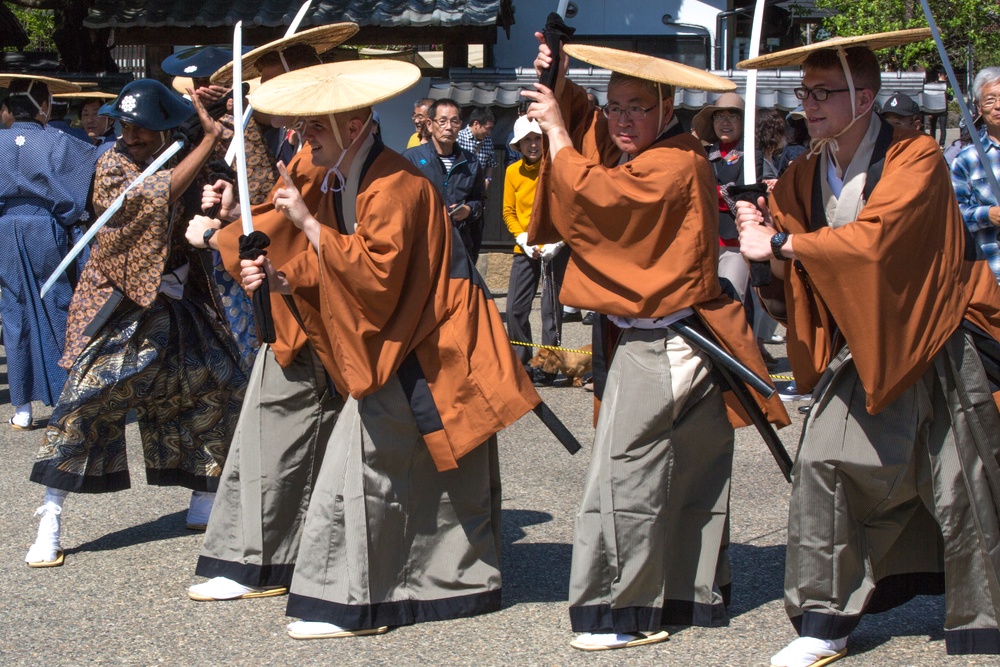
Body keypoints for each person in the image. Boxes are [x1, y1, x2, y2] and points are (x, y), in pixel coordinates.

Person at [237, 59, 541, 638]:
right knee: (405, 465)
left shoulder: (394, 181)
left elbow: (376, 273)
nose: (306, 142)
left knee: (385, 461)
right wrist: (285, 280)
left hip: (434, 338)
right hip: (403, 333)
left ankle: (371, 597)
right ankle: (417, 583)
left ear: (354, 129)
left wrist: (306, 225)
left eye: (316, 131)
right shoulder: (348, 175)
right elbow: (347, 266)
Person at [736, 30, 1000, 665]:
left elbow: (879, 241)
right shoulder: (802, 172)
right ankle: (825, 622)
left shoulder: (917, 157)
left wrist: (779, 247)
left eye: (824, 93)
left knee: (965, 478)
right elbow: (793, 267)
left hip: (936, 333)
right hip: (859, 343)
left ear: (867, 97)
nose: (810, 105)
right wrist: (760, 236)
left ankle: (983, 616)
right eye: (804, 93)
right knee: (823, 467)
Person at [523, 40, 788, 651]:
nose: (620, 118)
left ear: (665, 106)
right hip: (672, 335)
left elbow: (601, 202)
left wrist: (558, 133)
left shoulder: (676, 162)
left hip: (672, 337)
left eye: (636, 107)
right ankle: (684, 593)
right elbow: (589, 127)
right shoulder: (658, 148)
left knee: (628, 473)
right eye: (615, 105)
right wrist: (560, 80)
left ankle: (620, 609)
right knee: (688, 470)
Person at [26, 79, 249, 568]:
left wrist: (222, 149)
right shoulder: (111, 163)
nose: (131, 134)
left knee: (217, 380)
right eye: (125, 124)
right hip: (121, 304)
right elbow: (156, 196)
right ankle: (50, 515)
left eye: (142, 128)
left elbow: (236, 170)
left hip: (178, 299)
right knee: (87, 397)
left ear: (166, 126)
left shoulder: (185, 152)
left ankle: (204, 497)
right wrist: (208, 140)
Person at [182, 23, 360, 603]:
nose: (265, 96)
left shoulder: (328, 148)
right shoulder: (302, 144)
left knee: (292, 429)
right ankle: (260, 559)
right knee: (277, 428)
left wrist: (219, 236)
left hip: (335, 309)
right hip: (302, 306)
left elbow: (293, 226)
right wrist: (239, 211)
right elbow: (276, 212)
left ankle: (264, 560)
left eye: (274, 84)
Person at [0, 74, 99, 431]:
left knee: (13, 314)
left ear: (9, 109)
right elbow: (79, 191)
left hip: (5, 229)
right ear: (45, 107)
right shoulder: (57, 141)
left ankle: (22, 407)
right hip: (45, 227)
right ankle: (64, 398)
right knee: (56, 303)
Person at [502, 115, 567, 385]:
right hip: (525, 248)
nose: (532, 144)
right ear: (517, 145)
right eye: (526, 139)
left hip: (555, 247)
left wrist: (558, 241)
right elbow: (508, 211)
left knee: (551, 311)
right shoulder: (512, 172)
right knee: (515, 308)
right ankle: (522, 363)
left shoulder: (557, 168)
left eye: (536, 138)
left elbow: (568, 209)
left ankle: (548, 367)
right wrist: (523, 239)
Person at [403, 98, 486, 263]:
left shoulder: (471, 162)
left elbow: (479, 199)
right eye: (442, 121)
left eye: (454, 122)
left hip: (459, 246)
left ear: (461, 125)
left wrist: (469, 210)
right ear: (429, 124)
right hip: (422, 247)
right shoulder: (411, 159)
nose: (448, 127)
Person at [692, 92, 753, 309]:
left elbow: (747, 195)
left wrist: (710, 192)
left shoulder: (753, 156)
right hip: (703, 240)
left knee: (732, 301)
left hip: (735, 241)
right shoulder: (702, 154)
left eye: (732, 116)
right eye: (719, 117)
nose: (725, 122)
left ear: (743, 122)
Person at [951, 66, 1000, 283]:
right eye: (990, 100)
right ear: (979, 108)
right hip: (990, 272)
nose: (998, 106)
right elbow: (953, 215)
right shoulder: (966, 159)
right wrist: (987, 214)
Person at [457, 105, 498, 191]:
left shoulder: (488, 141)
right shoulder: (458, 138)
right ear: (476, 124)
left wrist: (488, 180)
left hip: (478, 191)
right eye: (487, 128)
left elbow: (490, 164)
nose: (489, 133)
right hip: (459, 188)